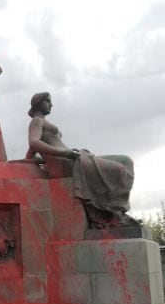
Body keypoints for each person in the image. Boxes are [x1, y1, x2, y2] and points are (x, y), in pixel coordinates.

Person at [26, 92, 136, 227]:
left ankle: (117, 210)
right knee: (118, 169)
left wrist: (41, 160)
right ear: (38, 102)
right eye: (48, 101)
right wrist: (65, 154)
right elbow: (34, 143)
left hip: (74, 158)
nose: (51, 104)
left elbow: (30, 154)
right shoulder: (37, 121)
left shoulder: (44, 123)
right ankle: (112, 211)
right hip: (68, 163)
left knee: (125, 161)